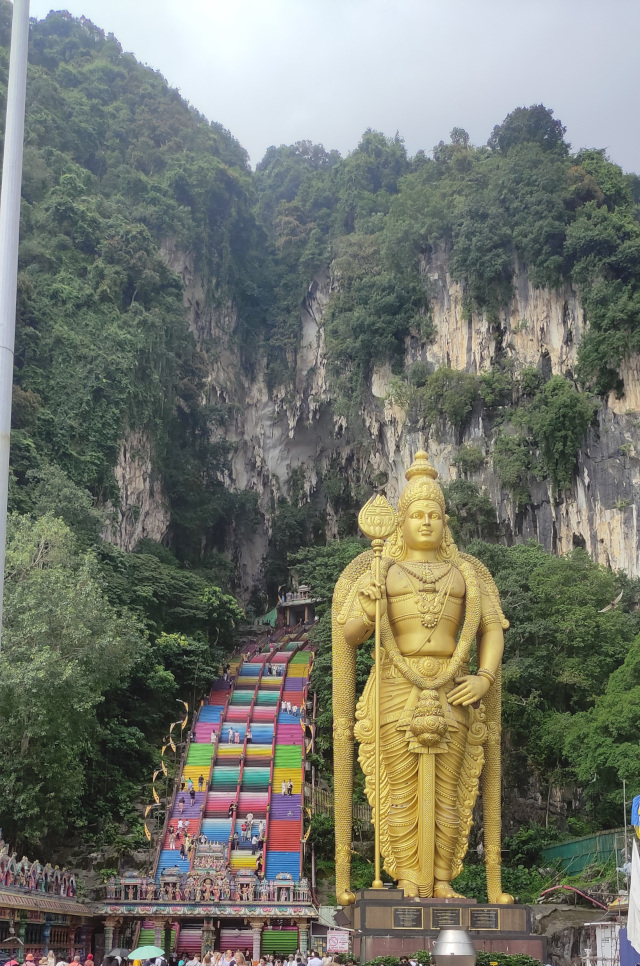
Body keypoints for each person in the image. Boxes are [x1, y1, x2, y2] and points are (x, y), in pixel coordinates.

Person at [332, 450, 512, 902]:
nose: (426, 522)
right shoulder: (382, 570)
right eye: (417, 514)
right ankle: (408, 878)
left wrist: (484, 677)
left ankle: (443, 879)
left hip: (454, 687)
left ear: (445, 522)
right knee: (400, 789)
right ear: (401, 522)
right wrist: (369, 607)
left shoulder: (466, 573)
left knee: (449, 791)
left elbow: (492, 629)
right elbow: (349, 635)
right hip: (396, 686)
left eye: (434, 514)